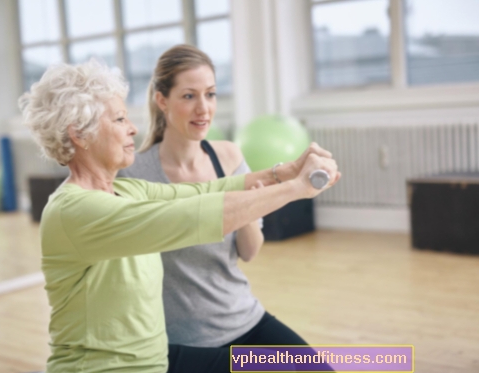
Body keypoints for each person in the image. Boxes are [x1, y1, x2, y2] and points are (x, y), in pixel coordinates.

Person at [19, 59, 339, 373]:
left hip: (155, 361)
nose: (132, 128)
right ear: (79, 133)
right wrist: (297, 188)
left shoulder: (128, 191)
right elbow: (194, 217)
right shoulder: (76, 211)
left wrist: (285, 172)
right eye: (118, 120)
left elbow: (209, 192)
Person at [118, 45, 336, 357]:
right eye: (189, 96)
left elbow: (250, 251)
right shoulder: (134, 173)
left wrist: (246, 208)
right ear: (162, 100)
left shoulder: (229, 157)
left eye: (210, 94)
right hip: (182, 341)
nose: (203, 109)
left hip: (243, 318)